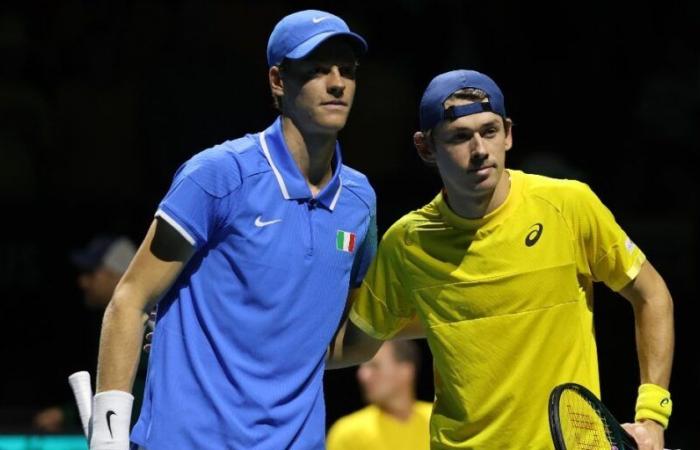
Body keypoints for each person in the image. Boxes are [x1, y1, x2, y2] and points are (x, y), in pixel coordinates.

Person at [331, 69, 675, 449]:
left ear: (508, 133)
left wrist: (652, 416)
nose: (479, 150)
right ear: (425, 147)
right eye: (460, 137)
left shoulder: (568, 205)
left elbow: (652, 295)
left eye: (490, 131)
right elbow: (356, 345)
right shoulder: (407, 243)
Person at [89, 9, 376, 450]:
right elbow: (128, 300)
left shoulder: (359, 201)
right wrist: (106, 439)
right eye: (317, 70)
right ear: (278, 81)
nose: (337, 83)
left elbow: (341, 341)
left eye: (347, 70)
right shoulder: (217, 176)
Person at [33, 235, 141, 433]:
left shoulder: (145, 325)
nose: (83, 282)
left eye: (91, 273)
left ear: (118, 275)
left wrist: (68, 415)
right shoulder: (107, 321)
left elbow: (138, 398)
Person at [326, 340, 432, 450]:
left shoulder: (436, 421)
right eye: (363, 368)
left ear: (405, 371)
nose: (363, 375)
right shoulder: (347, 433)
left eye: (375, 366)